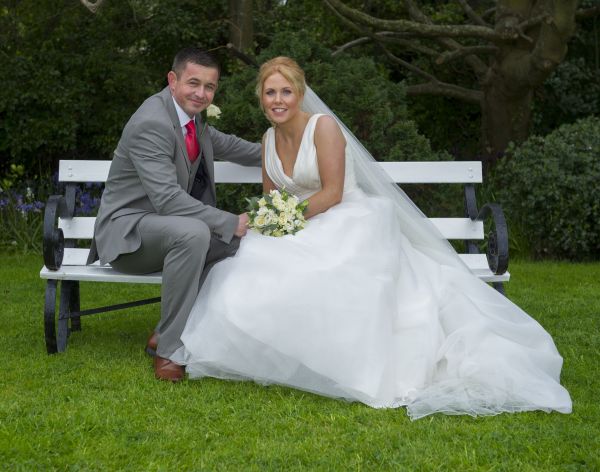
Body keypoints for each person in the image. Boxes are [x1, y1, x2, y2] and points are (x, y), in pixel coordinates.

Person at [172, 57, 572, 419]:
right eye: (270, 92)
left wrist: (286, 218)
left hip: (346, 217)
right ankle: (278, 357)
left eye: (286, 91)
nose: (278, 100)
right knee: (247, 268)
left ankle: (348, 363)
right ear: (261, 97)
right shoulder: (267, 140)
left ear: (300, 94)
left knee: (326, 269)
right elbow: (271, 197)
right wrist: (271, 218)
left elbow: (330, 192)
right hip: (299, 222)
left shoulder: (322, 128)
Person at [87, 47, 262, 382]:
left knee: (236, 246)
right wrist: (229, 221)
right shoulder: (152, 123)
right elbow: (167, 199)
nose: (201, 93)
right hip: (129, 236)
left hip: (164, 231)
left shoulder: (190, 116)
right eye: (193, 83)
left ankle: (164, 332)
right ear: (172, 80)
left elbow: (228, 145)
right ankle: (169, 351)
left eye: (209, 87)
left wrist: (288, 149)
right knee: (196, 233)